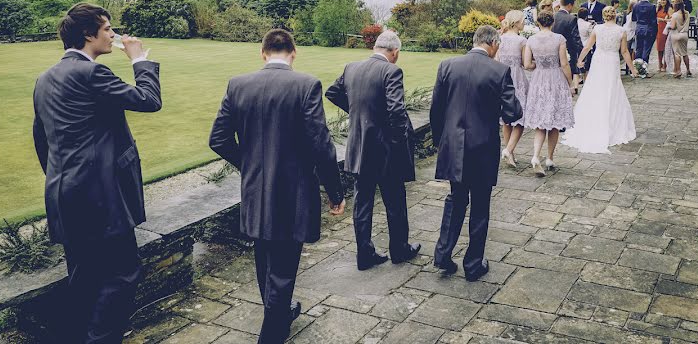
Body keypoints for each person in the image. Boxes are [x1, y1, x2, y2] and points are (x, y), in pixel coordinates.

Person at [32, 3, 162, 344]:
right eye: (108, 29)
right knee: (123, 274)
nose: (113, 35)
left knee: (84, 277)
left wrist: (63, 178)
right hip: (100, 198)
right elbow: (148, 100)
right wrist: (138, 59)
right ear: (89, 35)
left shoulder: (44, 79)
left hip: (64, 194)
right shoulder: (91, 73)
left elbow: (41, 141)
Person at [209, 29, 345, 344]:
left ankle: (280, 310)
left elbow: (218, 140)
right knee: (283, 268)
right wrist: (335, 193)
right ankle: (272, 332)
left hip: (256, 189)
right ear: (293, 52)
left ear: (263, 52)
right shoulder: (306, 85)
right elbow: (322, 146)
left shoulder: (238, 84)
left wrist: (250, 166)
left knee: (265, 257)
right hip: (293, 192)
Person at [431, 26, 521, 281]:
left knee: (455, 199)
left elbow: (436, 111)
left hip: (454, 146)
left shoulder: (447, 65)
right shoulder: (499, 71)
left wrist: (441, 143)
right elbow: (513, 113)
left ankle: (443, 255)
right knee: (480, 205)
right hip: (482, 148)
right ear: (492, 44)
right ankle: (472, 264)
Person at [325, 30, 420, 271]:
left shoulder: (351, 68)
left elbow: (332, 93)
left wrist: (358, 113)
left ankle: (365, 254)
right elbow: (397, 112)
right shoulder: (391, 71)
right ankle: (399, 249)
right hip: (386, 149)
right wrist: (399, 143)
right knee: (395, 201)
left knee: (363, 201)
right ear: (395, 52)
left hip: (359, 147)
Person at [564, 6, 638, 153]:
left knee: (596, 88)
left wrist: (579, 61)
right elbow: (624, 52)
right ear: (615, 15)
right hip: (612, 61)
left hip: (599, 60)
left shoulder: (597, 29)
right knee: (612, 89)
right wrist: (633, 68)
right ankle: (611, 124)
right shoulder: (621, 31)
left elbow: (587, 47)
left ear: (604, 16)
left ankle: (593, 121)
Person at [522, 11, 575, 177]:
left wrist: (539, 63)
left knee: (540, 122)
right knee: (554, 120)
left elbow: (527, 64)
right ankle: (550, 158)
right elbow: (564, 63)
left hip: (539, 80)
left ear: (538, 23)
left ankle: (536, 156)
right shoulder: (559, 39)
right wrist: (571, 83)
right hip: (555, 79)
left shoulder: (531, 40)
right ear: (552, 23)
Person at [496, 11, 530, 169]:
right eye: (523, 21)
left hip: (501, 78)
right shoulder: (522, 40)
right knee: (520, 118)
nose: (524, 23)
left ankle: (510, 152)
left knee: (506, 118)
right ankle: (509, 150)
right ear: (516, 23)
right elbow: (525, 63)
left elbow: (495, 60)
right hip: (517, 79)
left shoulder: (499, 39)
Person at [552, 0, 584, 95]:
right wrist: (582, 52)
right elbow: (576, 39)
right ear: (569, 5)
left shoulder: (552, 16)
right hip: (568, 53)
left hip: (552, 52)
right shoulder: (571, 18)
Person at [633, 0, 657, 68]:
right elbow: (653, 20)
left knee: (639, 48)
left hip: (639, 28)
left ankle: (637, 67)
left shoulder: (636, 5)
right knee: (646, 49)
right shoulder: (652, 6)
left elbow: (633, 18)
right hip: (649, 29)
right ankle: (644, 68)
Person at [669, 0, 692, 78]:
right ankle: (688, 69)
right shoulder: (687, 13)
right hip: (685, 34)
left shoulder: (675, 15)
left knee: (677, 54)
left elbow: (672, 26)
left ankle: (678, 70)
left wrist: (668, 25)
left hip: (676, 34)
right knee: (685, 53)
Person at [655, 0, 672, 72]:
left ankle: (665, 65)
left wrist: (663, 19)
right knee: (659, 48)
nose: (663, 2)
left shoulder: (669, 9)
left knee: (666, 47)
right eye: (661, 0)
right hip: (658, 29)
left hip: (665, 29)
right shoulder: (658, 9)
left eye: (664, 0)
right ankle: (659, 64)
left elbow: (671, 19)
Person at [623, 0, 638, 75]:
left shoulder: (632, 13)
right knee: (628, 50)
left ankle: (631, 66)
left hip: (632, 32)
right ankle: (629, 67)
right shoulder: (629, 14)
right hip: (629, 32)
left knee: (632, 50)